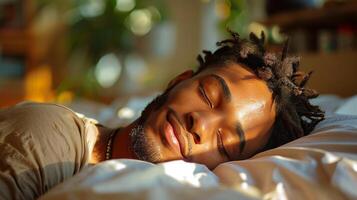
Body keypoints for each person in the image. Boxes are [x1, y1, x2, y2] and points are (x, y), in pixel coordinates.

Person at [0, 30, 324, 199]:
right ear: (179, 81)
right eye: (207, 95)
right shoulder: (47, 137)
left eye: (224, 142)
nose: (201, 124)